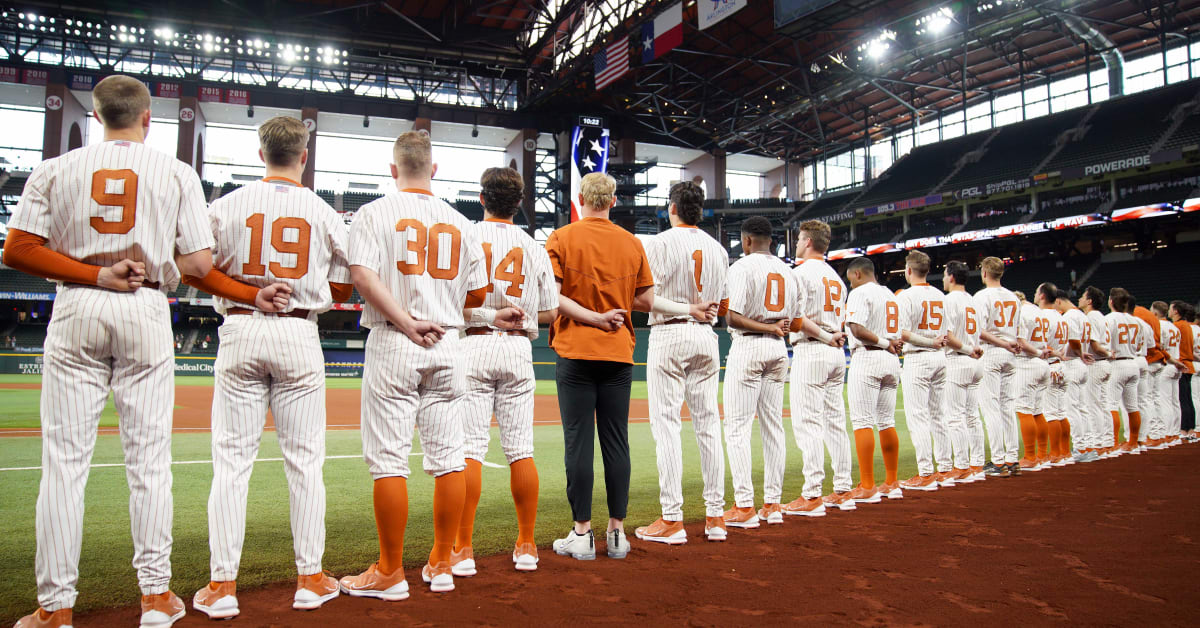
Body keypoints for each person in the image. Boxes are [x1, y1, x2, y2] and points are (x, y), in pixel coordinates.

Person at [4, 75, 222, 628]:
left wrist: (97, 273)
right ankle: (154, 598)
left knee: (63, 467)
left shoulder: (54, 168)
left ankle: (55, 608)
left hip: (79, 303)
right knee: (149, 463)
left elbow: (18, 249)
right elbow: (198, 265)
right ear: (148, 118)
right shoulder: (175, 172)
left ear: (97, 116)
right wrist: (160, 251)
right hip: (146, 306)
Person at [186, 116, 350, 618]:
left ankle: (222, 586)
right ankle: (310, 578)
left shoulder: (225, 205)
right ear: (304, 156)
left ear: (261, 154)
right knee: (305, 463)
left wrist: (250, 291)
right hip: (300, 332)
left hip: (240, 325)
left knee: (231, 464)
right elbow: (342, 290)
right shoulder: (325, 212)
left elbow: (198, 268)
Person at [340, 130, 498, 598]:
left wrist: (407, 320)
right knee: (450, 458)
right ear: (434, 169)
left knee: (390, 461)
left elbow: (362, 279)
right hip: (448, 343)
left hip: (395, 340)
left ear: (393, 170)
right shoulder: (462, 221)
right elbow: (475, 294)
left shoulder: (373, 212)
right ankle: (443, 563)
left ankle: (390, 573)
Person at [546, 172, 715, 561]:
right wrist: (688, 308)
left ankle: (582, 533)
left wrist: (591, 317)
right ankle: (617, 534)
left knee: (579, 442)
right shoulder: (631, 242)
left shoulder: (561, 237)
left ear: (580, 197)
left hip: (575, 350)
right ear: (614, 201)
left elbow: (553, 299)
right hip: (618, 353)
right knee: (616, 441)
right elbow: (646, 300)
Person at [456, 167, 558, 573]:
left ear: (482, 199)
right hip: (518, 349)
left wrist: (489, 314)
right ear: (519, 203)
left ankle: (463, 550)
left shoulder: (466, 237)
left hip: (476, 343)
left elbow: (451, 301)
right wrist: (519, 315)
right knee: (521, 450)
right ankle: (527, 545)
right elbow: (550, 312)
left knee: (469, 451)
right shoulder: (533, 245)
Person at [636, 182, 730, 544]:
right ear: (700, 210)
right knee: (708, 425)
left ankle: (672, 518)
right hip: (707, 337)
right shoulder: (718, 249)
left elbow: (645, 299)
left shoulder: (659, 243)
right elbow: (722, 306)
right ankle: (716, 517)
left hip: (670, 334)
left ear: (671, 208)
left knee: (667, 426)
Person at [721, 217, 802, 524]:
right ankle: (773, 504)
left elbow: (733, 317)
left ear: (746, 241)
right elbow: (794, 322)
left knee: (737, 428)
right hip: (779, 350)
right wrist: (775, 326)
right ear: (772, 240)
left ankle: (744, 506)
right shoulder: (788, 270)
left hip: (750, 347)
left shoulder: (741, 267)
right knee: (773, 428)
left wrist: (765, 325)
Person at [782, 219, 852, 516]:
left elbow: (796, 317)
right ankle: (844, 489)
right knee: (835, 421)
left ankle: (812, 495)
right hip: (836, 351)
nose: (797, 243)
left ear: (808, 241)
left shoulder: (799, 274)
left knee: (808, 422)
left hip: (812, 349)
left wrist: (823, 334)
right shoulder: (836, 277)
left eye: (799, 239)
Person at [843, 257, 904, 503]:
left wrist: (883, 342)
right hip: (891, 361)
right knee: (887, 421)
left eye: (850, 279)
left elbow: (857, 329)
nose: (851, 284)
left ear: (857, 274)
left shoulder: (860, 293)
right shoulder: (890, 294)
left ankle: (867, 485)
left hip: (869, 357)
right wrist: (888, 344)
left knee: (862, 421)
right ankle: (892, 482)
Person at [895, 251, 953, 491]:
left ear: (909, 271)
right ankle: (946, 468)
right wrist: (934, 343)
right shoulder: (941, 295)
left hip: (918, 358)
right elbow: (946, 333)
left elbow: (902, 332)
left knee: (917, 415)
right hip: (940, 358)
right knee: (939, 414)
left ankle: (926, 472)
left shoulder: (906, 296)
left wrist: (928, 342)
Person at [974, 257, 1024, 477]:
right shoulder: (1013, 297)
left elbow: (980, 331)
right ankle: (1013, 459)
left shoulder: (982, 296)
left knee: (991, 408)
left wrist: (1002, 342)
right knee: (1007, 407)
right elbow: (1018, 330)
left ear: (985, 273)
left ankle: (997, 460)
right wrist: (1009, 343)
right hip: (1010, 352)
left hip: (992, 351)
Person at [941, 260, 986, 482]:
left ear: (951, 276)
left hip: (959, 360)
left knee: (955, 417)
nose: (942, 279)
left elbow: (948, 337)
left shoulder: (948, 301)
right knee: (972, 416)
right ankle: (977, 464)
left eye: (944, 274)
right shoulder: (974, 300)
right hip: (975, 362)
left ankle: (961, 466)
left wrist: (968, 349)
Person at [1033, 284, 1069, 467]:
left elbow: (1040, 344)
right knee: (1060, 412)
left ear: (1042, 296)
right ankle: (1064, 451)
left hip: (1051, 365)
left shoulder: (1043, 316)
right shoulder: (1060, 316)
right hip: (1062, 365)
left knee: (1049, 413)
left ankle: (1054, 454)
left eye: (1037, 292)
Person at [1056, 295, 1094, 462]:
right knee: (1082, 408)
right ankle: (1088, 446)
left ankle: (1079, 448)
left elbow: (1073, 340)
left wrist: (1078, 353)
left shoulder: (1070, 316)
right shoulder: (1082, 316)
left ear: (1058, 301)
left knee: (1071, 409)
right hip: (1081, 365)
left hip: (1073, 362)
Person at [1107, 288, 1143, 454]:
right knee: (1132, 406)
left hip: (1117, 363)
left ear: (1112, 301)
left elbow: (1106, 343)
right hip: (1133, 362)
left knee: (1111, 405)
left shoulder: (1109, 319)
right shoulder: (1136, 321)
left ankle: (1114, 443)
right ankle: (1133, 442)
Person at [1079, 287, 1113, 456]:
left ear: (1089, 301)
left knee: (1093, 405)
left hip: (1096, 363)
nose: (1080, 299)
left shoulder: (1091, 317)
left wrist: (1106, 353)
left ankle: (1097, 443)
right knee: (1104, 404)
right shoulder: (1101, 316)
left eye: (1083, 297)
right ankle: (1107, 441)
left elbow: (1095, 345)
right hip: (1105, 364)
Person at [1152, 301, 1184, 446]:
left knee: (1163, 401)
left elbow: (1160, 347)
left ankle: (1167, 433)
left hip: (1167, 364)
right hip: (1176, 364)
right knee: (1174, 401)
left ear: (1155, 313)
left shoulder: (1159, 325)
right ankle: (1175, 432)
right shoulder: (1174, 327)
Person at [1169, 301, 1195, 441]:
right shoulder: (1187, 326)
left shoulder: (1177, 326)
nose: (1169, 311)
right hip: (1189, 365)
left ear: (1176, 311)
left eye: (1171, 308)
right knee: (1188, 399)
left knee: (1181, 400)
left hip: (1182, 364)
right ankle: (1190, 428)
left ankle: (1184, 429)